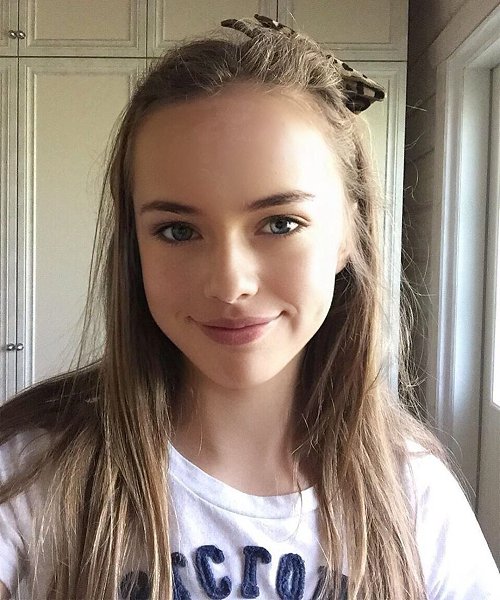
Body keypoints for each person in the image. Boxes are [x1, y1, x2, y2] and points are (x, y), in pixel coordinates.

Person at [0, 14, 498, 600]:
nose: (230, 283)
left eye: (280, 223)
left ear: (349, 233)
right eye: (178, 231)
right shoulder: (33, 471)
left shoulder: (415, 495)